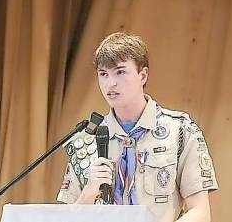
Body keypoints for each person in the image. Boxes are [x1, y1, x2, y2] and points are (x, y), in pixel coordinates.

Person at [57, 32, 218, 222]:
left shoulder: (180, 131)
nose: (111, 83)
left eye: (120, 72)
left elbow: (200, 212)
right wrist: (88, 194)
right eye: (103, 74)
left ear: (143, 75)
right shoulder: (85, 141)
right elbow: (67, 217)